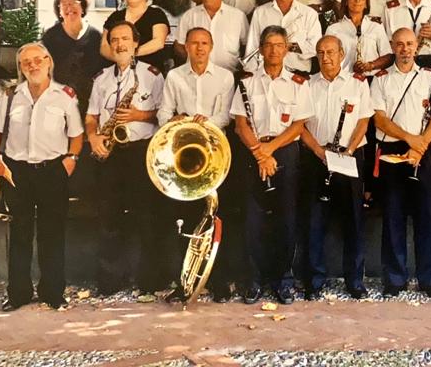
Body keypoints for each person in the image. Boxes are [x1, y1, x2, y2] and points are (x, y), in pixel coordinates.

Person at [0, 43, 83, 311]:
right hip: (18, 172)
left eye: (37, 60)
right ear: (21, 67)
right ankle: (18, 294)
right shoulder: (10, 95)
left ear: (48, 62)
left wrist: (70, 160)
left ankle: (52, 293)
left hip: (52, 171)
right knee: (19, 233)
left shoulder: (64, 96)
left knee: (52, 234)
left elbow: (76, 134)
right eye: (26, 62)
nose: (33, 65)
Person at [231, 26, 314, 305]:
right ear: (262, 48)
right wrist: (259, 152)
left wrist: (269, 150)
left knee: (286, 218)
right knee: (252, 220)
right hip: (253, 152)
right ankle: (254, 280)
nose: (274, 50)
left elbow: (299, 125)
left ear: (287, 48)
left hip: (284, 153)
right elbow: (240, 123)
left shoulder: (298, 83)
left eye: (279, 45)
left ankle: (283, 281)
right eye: (268, 45)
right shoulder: (247, 82)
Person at [158, 27, 237, 303]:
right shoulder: (174, 76)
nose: (200, 48)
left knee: (216, 221)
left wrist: (208, 122)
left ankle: (219, 281)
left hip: (215, 157)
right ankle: (185, 283)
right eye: (194, 43)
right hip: (185, 160)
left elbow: (227, 116)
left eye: (204, 43)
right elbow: (164, 113)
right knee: (186, 223)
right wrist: (177, 121)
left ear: (211, 46)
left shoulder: (225, 77)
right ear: (186, 47)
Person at [87, 21, 166, 297]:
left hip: (141, 151)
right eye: (115, 40)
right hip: (110, 151)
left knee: (147, 216)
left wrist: (137, 116)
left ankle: (150, 280)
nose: (120, 44)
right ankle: (110, 281)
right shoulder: (101, 79)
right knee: (108, 217)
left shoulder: (153, 75)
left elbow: (163, 114)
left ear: (135, 43)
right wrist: (94, 138)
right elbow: (91, 117)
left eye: (125, 39)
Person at [371, 28, 431, 299]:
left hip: (422, 151)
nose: (405, 49)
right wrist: (409, 139)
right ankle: (394, 279)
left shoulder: (429, 77)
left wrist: (422, 144)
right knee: (393, 216)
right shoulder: (380, 79)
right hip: (393, 150)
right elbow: (379, 119)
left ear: (418, 47)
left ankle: (429, 279)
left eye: (410, 44)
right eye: (400, 44)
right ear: (392, 46)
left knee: (427, 216)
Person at [299, 35, 373, 300]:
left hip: (349, 157)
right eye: (320, 53)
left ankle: (354, 280)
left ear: (342, 54)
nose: (325, 57)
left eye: (331, 52)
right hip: (316, 158)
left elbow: (364, 121)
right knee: (314, 221)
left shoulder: (357, 84)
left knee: (353, 220)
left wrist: (349, 151)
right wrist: (319, 152)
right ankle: (314, 280)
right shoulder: (307, 85)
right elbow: (300, 125)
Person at [244, 0, 321, 73]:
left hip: (298, 75)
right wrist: (250, 75)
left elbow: (315, 47)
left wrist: (291, 46)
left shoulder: (309, 14)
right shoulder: (260, 13)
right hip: (266, 75)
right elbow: (252, 47)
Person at [42, 0, 104, 115]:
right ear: (59, 11)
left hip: (91, 107)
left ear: (82, 7)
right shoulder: (50, 37)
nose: (69, 8)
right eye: (64, 4)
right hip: (58, 106)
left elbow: (104, 73)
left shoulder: (96, 36)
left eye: (73, 3)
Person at [172, 0, 247, 72]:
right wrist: (193, 61)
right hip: (195, 75)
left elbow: (246, 46)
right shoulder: (189, 16)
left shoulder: (238, 16)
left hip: (229, 77)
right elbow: (179, 46)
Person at [325, 0, 393, 76]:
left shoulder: (376, 26)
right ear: (346, 1)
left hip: (371, 80)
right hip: (344, 80)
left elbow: (388, 57)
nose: (357, 0)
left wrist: (370, 65)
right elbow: (327, 58)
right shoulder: (333, 29)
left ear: (366, 2)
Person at [102, 0, 170, 70]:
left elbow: (158, 42)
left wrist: (131, 54)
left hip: (149, 72)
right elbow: (104, 46)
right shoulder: (115, 17)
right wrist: (119, 59)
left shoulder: (156, 15)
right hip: (119, 71)